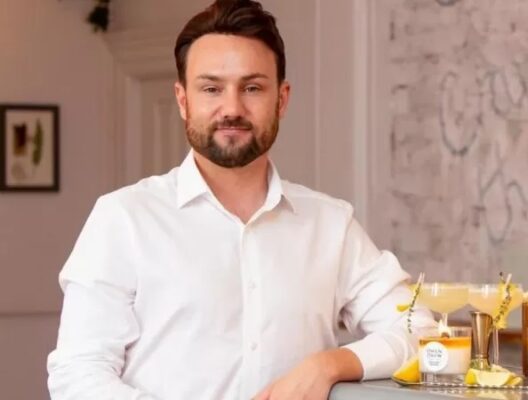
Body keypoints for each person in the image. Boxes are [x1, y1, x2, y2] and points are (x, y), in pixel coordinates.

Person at [47, 1, 431, 399]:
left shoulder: (331, 225)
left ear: (282, 99)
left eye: (252, 88)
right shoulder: (123, 219)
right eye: (211, 88)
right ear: (183, 100)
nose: (232, 108)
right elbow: (78, 377)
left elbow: (419, 330)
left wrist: (329, 364)